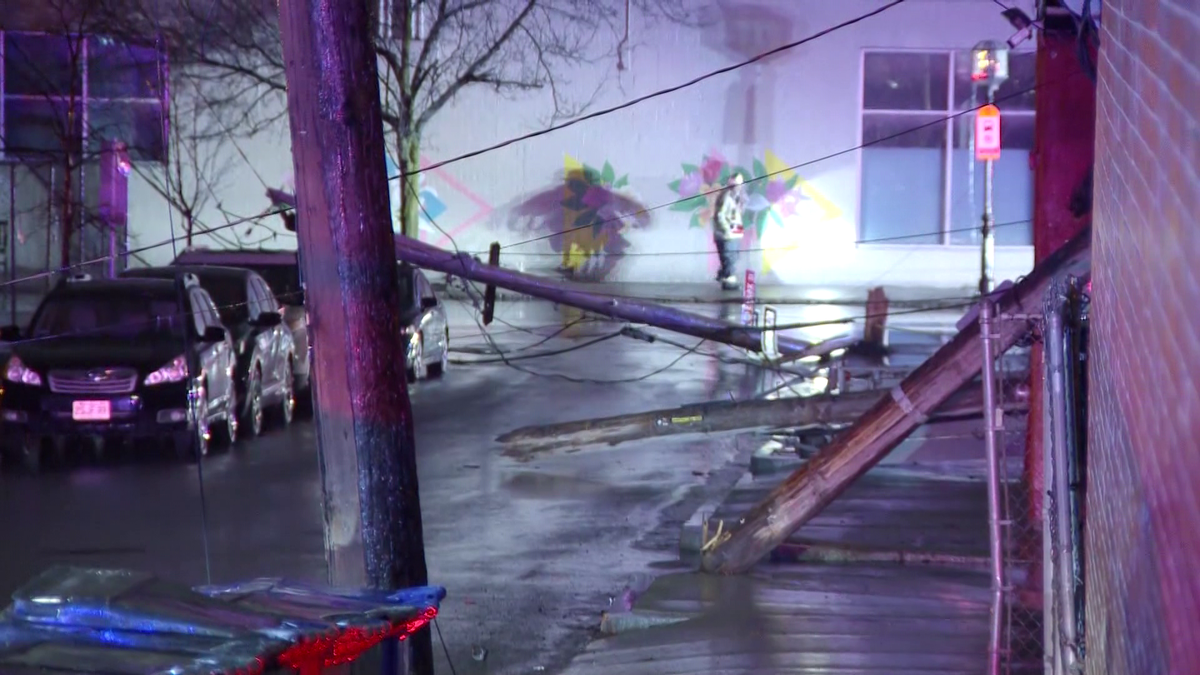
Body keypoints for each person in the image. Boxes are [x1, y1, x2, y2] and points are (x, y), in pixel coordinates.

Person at [712, 173, 746, 290]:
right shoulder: (726, 196)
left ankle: (725, 277)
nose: (738, 186)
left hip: (733, 233)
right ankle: (728, 280)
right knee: (729, 258)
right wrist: (727, 230)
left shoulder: (735, 196)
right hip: (727, 235)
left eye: (739, 184)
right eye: (736, 184)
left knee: (731, 257)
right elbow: (720, 215)